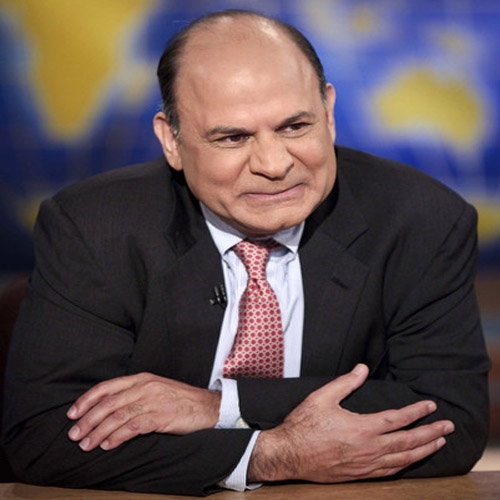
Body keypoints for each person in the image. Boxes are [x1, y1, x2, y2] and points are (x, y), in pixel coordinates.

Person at [2, 9, 490, 496]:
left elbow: (453, 419)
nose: (274, 165)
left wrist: (219, 407)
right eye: (233, 138)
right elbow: (44, 437)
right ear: (172, 140)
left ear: (329, 112)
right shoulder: (96, 228)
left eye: (294, 127)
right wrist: (271, 454)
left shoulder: (419, 219)